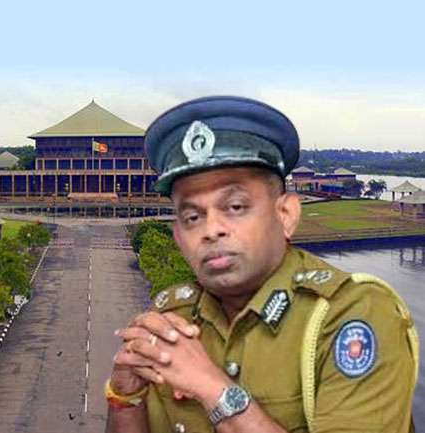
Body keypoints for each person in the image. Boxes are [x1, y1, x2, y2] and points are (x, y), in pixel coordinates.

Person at [105, 96, 419, 433]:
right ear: (179, 237)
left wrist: (211, 387)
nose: (211, 230)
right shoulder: (172, 316)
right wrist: (125, 396)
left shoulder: (351, 315)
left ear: (286, 215)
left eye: (235, 207)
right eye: (193, 216)